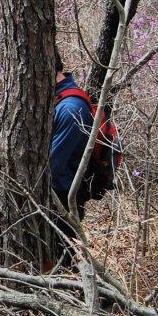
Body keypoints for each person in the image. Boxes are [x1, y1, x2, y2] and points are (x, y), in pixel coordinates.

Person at [51, 50, 94, 264]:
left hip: (63, 196)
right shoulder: (57, 99)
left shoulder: (71, 108)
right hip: (56, 193)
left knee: (61, 260)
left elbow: (52, 165)